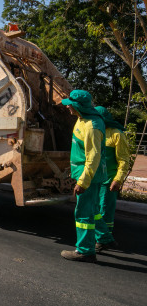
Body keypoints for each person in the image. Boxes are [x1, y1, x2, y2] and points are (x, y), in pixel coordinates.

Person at [60, 90, 109, 263]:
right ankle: (104, 238)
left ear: (78, 106)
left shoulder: (92, 126)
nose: (67, 107)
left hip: (88, 176)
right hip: (90, 174)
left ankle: (85, 251)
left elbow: (93, 156)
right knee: (93, 209)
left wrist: (83, 181)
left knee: (83, 214)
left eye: (70, 104)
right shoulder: (84, 120)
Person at [94, 106, 130, 252]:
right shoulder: (95, 132)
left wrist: (118, 179)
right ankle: (101, 237)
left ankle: (104, 239)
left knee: (105, 211)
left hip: (109, 180)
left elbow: (124, 160)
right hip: (95, 179)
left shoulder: (117, 134)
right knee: (94, 209)